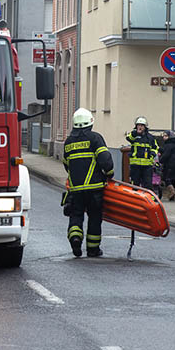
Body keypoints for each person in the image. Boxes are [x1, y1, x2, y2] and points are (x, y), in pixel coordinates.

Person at [63, 108, 115, 258]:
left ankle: (75, 238)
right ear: (90, 123)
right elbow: (105, 160)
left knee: (76, 215)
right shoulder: (95, 138)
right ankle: (93, 249)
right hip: (95, 189)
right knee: (94, 218)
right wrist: (110, 174)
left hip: (76, 189)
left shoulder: (68, 142)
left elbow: (66, 164)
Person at [125, 116, 158, 190]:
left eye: (141, 125)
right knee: (135, 184)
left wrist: (152, 154)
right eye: (138, 125)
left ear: (145, 127)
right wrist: (135, 133)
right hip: (135, 165)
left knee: (148, 185)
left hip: (147, 166)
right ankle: (134, 200)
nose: (140, 127)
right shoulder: (133, 135)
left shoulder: (150, 137)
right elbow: (129, 138)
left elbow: (155, 147)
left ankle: (149, 200)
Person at [158, 130, 175, 201]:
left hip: (171, 163)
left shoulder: (169, 145)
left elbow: (166, 155)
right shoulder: (174, 145)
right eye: (163, 135)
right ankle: (172, 196)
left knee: (166, 178)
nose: (164, 137)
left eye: (166, 136)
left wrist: (160, 161)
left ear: (170, 137)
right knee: (173, 179)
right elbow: (165, 151)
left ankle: (172, 192)